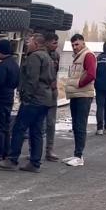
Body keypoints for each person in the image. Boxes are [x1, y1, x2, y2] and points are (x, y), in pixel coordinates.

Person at [0, 31, 54, 173]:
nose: (27, 44)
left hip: (34, 99)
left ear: (36, 43)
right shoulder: (47, 57)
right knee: (36, 131)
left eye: (29, 42)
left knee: (19, 128)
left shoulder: (34, 57)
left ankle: (12, 159)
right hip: (45, 99)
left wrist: (26, 97)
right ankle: (35, 163)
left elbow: (32, 80)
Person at [64, 33, 96, 166]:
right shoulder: (78, 57)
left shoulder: (88, 55)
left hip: (83, 95)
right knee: (76, 126)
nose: (74, 47)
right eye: (72, 45)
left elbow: (91, 74)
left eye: (77, 44)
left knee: (80, 125)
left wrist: (79, 84)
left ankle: (79, 156)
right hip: (76, 95)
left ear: (83, 43)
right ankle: (76, 154)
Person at [44, 32, 62, 162]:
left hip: (52, 93)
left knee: (51, 123)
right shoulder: (40, 55)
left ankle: (49, 150)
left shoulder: (56, 55)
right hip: (41, 93)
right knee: (37, 124)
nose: (56, 45)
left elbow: (55, 73)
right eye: (54, 43)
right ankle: (34, 150)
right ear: (47, 42)